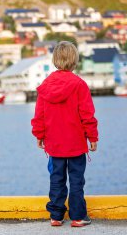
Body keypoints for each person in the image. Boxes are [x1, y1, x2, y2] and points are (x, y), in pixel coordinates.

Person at [31, 41, 98, 227]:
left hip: (54, 143)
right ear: (74, 60)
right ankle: (78, 217)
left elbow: (39, 115)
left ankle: (56, 216)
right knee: (76, 180)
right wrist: (92, 137)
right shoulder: (79, 84)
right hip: (76, 143)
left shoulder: (45, 85)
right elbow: (87, 115)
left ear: (55, 60)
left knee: (56, 178)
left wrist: (39, 135)